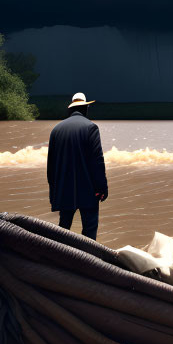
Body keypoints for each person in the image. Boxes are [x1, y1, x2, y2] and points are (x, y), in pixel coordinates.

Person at [47, 92, 108, 240]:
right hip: (88, 191)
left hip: (64, 191)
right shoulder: (91, 128)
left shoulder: (56, 130)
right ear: (86, 109)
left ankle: (60, 258)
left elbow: (51, 167)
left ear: (70, 110)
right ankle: (87, 260)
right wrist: (102, 188)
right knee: (89, 230)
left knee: (63, 230)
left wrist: (54, 193)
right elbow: (97, 161)